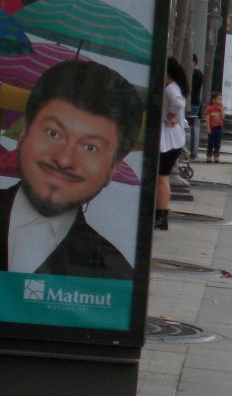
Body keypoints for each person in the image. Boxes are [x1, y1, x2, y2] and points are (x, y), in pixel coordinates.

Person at [1, 60, 144, 279]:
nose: (64, 159)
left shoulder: (114, 278)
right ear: (24, 130)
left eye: (90, 147)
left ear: (114, 165)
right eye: (53, 133)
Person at [155, 56, 188, 230]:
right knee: (162, 177)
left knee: (162, 177)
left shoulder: (171, 88)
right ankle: (160, 215)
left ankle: (161, 215)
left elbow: (177, 103)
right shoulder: (175, 87)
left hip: (168, 140)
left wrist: (169, 117)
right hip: (172, 138)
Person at [203, 92, 224, 163]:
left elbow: (223, 116)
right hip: (212, 127)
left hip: (219, 127)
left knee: (217, 142)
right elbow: (207, 118)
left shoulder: (220, 108)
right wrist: (208, 127)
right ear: (213, 100)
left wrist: (222, 109)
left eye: (221, 99)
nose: (220, 101)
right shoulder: (210, 108)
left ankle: (216, 155)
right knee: (211, 142)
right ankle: (209, 155)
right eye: (218, 99)